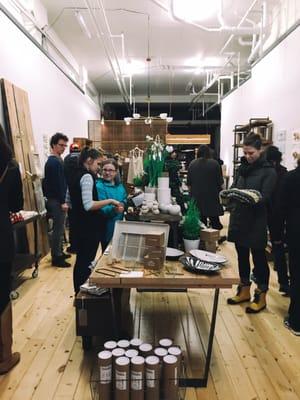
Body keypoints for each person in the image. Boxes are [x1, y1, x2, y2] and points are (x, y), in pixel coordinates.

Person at [227, 133, 276, 313]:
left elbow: (266, 197)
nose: (247, 157)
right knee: (241, 256)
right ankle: (244, 290)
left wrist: (248, 197)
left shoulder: (269, 171)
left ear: (260, 150)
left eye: (251, 153)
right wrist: (230, 196)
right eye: (245, 153)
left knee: (259, 259)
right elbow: (234, 187)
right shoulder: (242, 169)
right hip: (239, 219)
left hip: (256, 221)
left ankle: (261, 296)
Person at [68, 148, 120, 294]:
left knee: (81, 261)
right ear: (89, 160)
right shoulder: (87, 177)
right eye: (98, 163)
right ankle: (83, 296)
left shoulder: (73, 175)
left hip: (78, 224)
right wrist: (109, 201)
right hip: (88, 227)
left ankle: (79, 294)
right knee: (85, 262)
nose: (99, 167)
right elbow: (89, 205)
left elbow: (68, 202)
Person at [0, 127, 23, 374]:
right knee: (2, 295)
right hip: (1, 237)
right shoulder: (10, 166)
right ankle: (4, 356)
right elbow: (17, 204)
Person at [43, 132, 70, 268]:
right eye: (61, 145)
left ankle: (59, 251)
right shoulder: (53, 162)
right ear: (53, 145)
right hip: (56, 200)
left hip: (57, 199)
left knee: (61, 228)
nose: (63, 148)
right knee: (58, 230)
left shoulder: (58, 160)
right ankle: (56, 257)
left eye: (65, 145)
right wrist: (63, 201)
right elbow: (57, 184)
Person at [265, 145, 289, 294]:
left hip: (270, 215)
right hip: (280, 216)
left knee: (262, 247)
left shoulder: (268, 173)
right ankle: (283, 282)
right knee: (278, 248)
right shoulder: (285, 174)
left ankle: (282, 281)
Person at [280, 157, 300, 335]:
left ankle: (296, 321)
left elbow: (282, 208)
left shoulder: (291, 178)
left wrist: (278, 234)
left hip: (296, 232)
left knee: (297, 274)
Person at [187, 144, 224, 229]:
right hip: (212, 198)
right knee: (215, 222)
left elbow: (189, 185)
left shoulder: (192, 164)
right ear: (209, 153)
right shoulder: (215, 164)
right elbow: (221, 183)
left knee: (201, 224)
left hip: (197, 198)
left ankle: (203, 241)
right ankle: (213, 239)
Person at [96, 159, 127, 250]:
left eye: (110, 170)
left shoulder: (119, 185)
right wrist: (115, 210)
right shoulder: (99, 186)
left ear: (116, 172)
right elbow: (102, 207)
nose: (107, 173)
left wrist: (124, 204)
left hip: (120, 224)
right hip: (106, 226)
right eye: (105, 170)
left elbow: (124, 198)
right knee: (107, 252)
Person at [64, 143, 81, 253]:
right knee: (81, 222)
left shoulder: (66, 159)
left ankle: (73, 245)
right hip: (80, 194)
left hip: (70, 194)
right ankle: (80, 244)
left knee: (72, 223)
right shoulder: (81, 158)